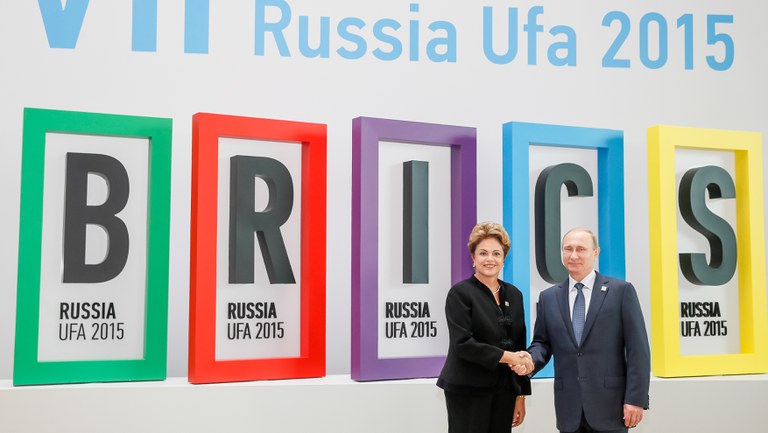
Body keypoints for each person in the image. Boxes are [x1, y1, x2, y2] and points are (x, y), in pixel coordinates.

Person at [514, 228, 650, 433]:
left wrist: (636, 399)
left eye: (581, 249)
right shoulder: (548, 298)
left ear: (595, 253)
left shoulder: (621, 291)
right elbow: (542, 343)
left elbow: (638, 350)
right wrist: (529, 361)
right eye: (568, 249)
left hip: (611, 407)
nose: (574, 255)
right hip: (569, 409)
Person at [437, 222, 532, 432]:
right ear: (473, 257)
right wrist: (510, 357)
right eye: (483, 253)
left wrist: (521, 395)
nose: (490, 259)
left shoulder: (515, 295)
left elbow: (519, 344)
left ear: (504, 258)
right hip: (467, 391)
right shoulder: (459, 294)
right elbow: (464, 344)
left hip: (505, 391)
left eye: (496, 253)